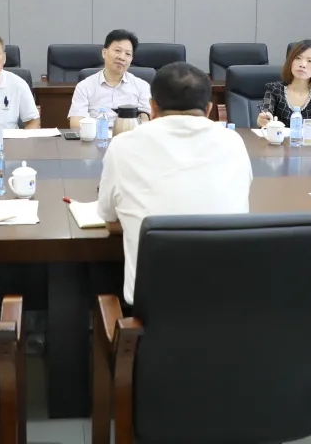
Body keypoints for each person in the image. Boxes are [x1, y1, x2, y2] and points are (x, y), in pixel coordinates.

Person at [97, 61, 253, 305]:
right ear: (209, 108)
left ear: (152, 107)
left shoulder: (123, 145)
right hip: (230, 304)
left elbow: (109, 220)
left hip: (152, 314)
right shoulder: (234, 142)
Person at [67, 29, 151, 128]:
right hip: (96, 137)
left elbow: (145, 121)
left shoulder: (142, 86)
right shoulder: (84, 86)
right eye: (117, 51)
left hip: (129, 136)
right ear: (104, 53)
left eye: (128, 54)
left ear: (131, 59)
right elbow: (76, 124)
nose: (122, 57)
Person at [256, 39, 311, 127]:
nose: (303, 65)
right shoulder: (274, 89)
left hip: (310, 137)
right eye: (298, 58)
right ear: (290, 61)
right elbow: (264, 116)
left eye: (310, 61)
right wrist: (263, 120)